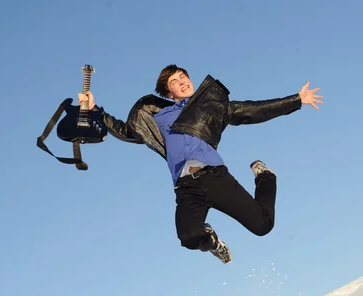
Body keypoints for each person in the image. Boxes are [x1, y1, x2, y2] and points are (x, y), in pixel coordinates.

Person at [78, 65, 323, 264]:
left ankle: (265, 177)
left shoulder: (210, 108)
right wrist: (94, 109)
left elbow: (251, 110)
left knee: (263, 226)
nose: (183, 82)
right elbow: (126, 131)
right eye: (175, 81)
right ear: (168, 92)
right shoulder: (157, 116)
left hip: (215, 178)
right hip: (186, 188)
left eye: (184, 77)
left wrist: (296, 100)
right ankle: (214, 244)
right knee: (188, 236)